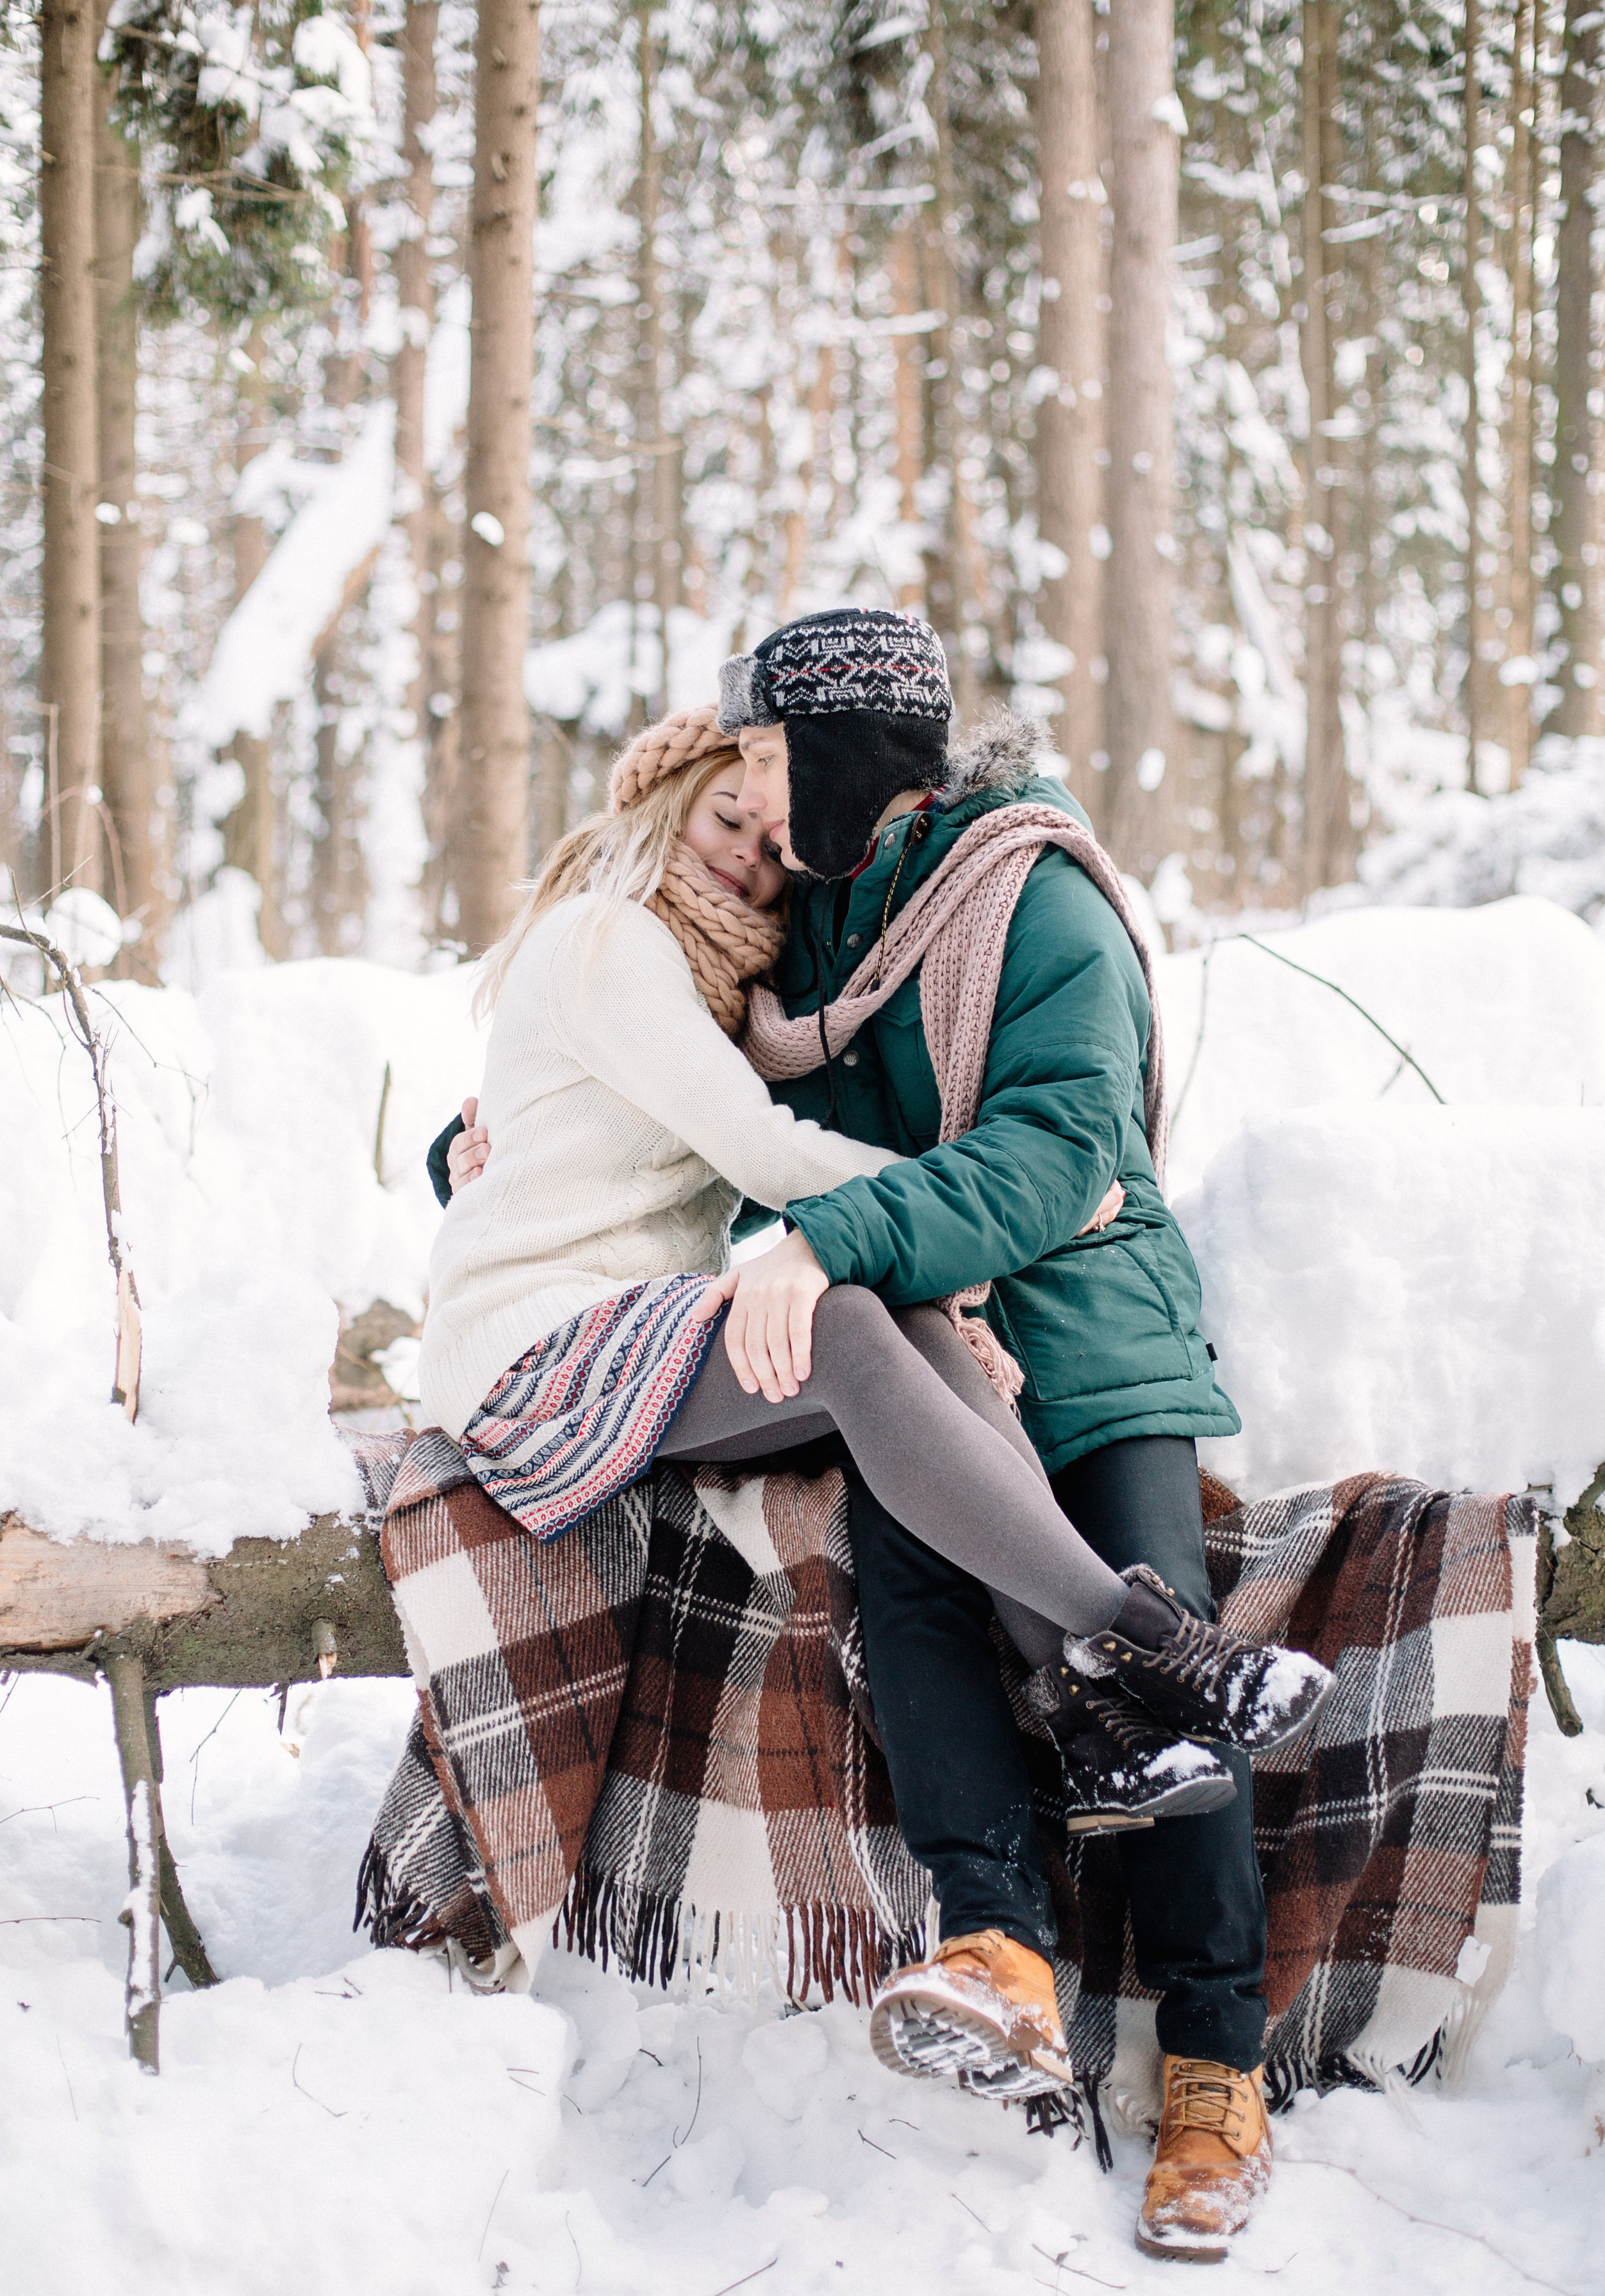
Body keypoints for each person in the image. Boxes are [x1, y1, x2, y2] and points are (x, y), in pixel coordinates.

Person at [427, 653, 1330, 2263]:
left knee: (1144, 1607)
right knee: (916, 1616)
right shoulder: (812, 915)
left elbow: (1057, 1157)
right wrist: (474, 1135)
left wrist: (828, 1239)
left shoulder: (1029, 902)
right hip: (905, 1331)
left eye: (773, 775)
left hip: (1078, 1327)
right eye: (737, 789)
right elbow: (674, 1099)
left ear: (846, 760)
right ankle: (998, 1949)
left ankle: (1211, 2069)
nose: (757, 821)